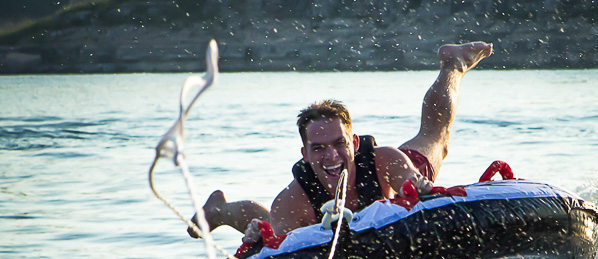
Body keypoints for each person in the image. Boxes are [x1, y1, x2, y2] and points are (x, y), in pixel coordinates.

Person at [189, 41, 493, 239]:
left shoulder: (385, 160)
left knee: (436, 137)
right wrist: (259, 235)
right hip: (306, 219)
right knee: (269, 220)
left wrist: (415, 185)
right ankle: (219, 210)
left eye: (338, 143)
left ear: (355, 143)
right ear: (305, 155)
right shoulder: (293, 200)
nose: (331, 156)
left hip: (389, 190)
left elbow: (406, 181)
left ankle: (454, 64)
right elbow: (276, 242)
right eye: (318, 148)